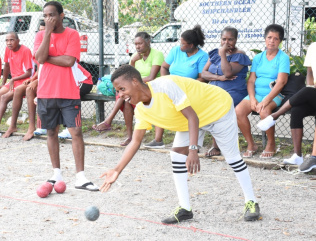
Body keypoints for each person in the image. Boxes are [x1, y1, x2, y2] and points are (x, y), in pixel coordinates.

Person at [99, 65, 261, 223]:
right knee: (176, 155)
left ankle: (251, 202)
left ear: (135, 81)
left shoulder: (165, 86)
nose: (120, 95)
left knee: (232, 158)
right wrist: (116, 169)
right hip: (192, 118)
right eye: (117, 91)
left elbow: (192, 117)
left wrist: (193, 150)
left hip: (217, 108)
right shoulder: (142, 110)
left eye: (122, 89)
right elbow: (135, 141)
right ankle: (185, 208)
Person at [34, 1, 98, 191]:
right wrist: (47, 33)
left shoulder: (72, 34)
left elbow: (70, 61)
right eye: (45, 16)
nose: (48, 19)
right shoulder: (40, 35)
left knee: (76, 132)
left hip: (69, 92)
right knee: (51, 132)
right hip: (46, 92)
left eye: (52, 15)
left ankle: (81, 177)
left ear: (61, 16)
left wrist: (46, 58)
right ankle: (56, 173)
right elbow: (39, 58)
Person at [92, 32, 164, 146]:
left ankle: (108, 121)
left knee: (125, 93)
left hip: (151, 88)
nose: (137, 47)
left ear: (148, 41)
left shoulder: (157, 54)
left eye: (140, 43)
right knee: (126, 100)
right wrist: (133, 61)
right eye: (135, 44)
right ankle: (130, 137)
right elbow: (128, 76)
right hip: (135, 88)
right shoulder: (134, 57)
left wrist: (132, 84)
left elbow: (151, 77)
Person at [145, 25, 208, 149]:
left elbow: (203, 78)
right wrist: (165, 80)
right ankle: (158, 140)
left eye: (183, 43)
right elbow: (164, 67)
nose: (180, 45)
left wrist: (188, 86)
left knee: (189, 112)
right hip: (170, 85)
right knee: (160, 104)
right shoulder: (176, 51)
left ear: (191, 45)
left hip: (189, 89)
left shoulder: (202, 56)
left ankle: (193, 144)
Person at [256, 42, 316, 172]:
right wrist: (312, 88)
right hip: (314, 94)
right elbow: (310, 72)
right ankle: (297, 155)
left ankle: (274, 116)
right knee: (297, 109)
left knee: (307, 91)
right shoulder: (313, 47)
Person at [235, 24, 290, 159]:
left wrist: (265, 101)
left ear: (280, 41)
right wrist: (253, 99)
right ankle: (251, 144)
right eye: (269, 37)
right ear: (265, 39)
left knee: (265, 111)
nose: (272, 41)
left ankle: (271, 144)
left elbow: (281, 82)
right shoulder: (258, 57)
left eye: (276, 39)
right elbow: (251, 81)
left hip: (273, 94)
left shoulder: (283, 58)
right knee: (238, 111)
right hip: (256, 93)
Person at [202, 27, 251, 157]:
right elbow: (204, 73)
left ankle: (218, 146)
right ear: (220, 39)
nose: (226, 42)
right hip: (214, 90)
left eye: (230, 39)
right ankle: (208, 145)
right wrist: (218, 78)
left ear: (236, 40)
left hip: (233, 91)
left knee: (217, 106)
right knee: (202, 104)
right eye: (224, 39)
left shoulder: (240, 55)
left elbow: (228, 72)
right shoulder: (214, 53)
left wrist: (223, 54)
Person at [0, 32, 32, 135]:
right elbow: (6, 66)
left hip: (24, 81)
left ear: (18, 40)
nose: (9, 43)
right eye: (7, 40)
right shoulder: (8, 49)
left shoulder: (25, 50)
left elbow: (29, 73)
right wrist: (3, 83)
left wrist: (13, 79)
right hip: (13, 81)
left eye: (11, 40)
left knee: (4, 97)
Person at [57, 64, 93, 139]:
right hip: (74, 82)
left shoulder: (66, 61)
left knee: (68, 97)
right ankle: (46, 127)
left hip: (84, 82)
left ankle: (70, 129)